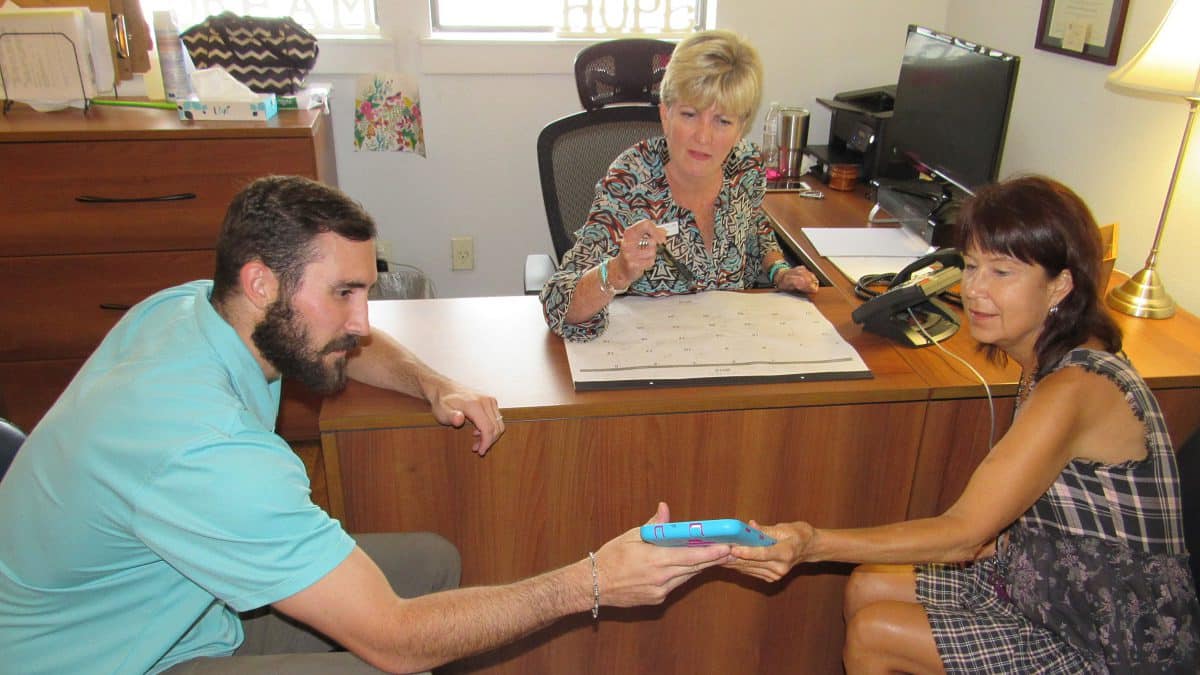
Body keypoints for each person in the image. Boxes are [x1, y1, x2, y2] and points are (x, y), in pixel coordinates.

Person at [0, 176, 732, 674]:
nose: (362, 321)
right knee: (399, 644)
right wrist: (594, 581)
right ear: (261, 282)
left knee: (434, 562)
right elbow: (397, 639)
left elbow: (350, 343)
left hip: (177, 594)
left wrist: (433, 381)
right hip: (104, 657)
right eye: (345, 293)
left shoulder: (199, 306)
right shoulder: (206, 450)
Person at [727, 176, 1200, 673]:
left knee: (877, 633)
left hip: (1112, 637)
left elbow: (964, 535)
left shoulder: (1076, 386)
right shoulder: (1048, 360)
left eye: (1003, 272)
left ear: (1060, 284)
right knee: (868, 582)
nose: (975, 289)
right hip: (1046, 575)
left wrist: (812, 542)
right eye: (972, 266)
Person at [540, 29, 820, 342]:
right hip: (653, 363)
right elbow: (558, 306)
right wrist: (617, 271)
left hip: (734, 350)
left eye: (723, 121)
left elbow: (755, 228)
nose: (703, 136)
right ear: (665, 113)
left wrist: (779, 272)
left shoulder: (746, 166)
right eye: (689, 114)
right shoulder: (631, 181)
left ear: (741, 127)